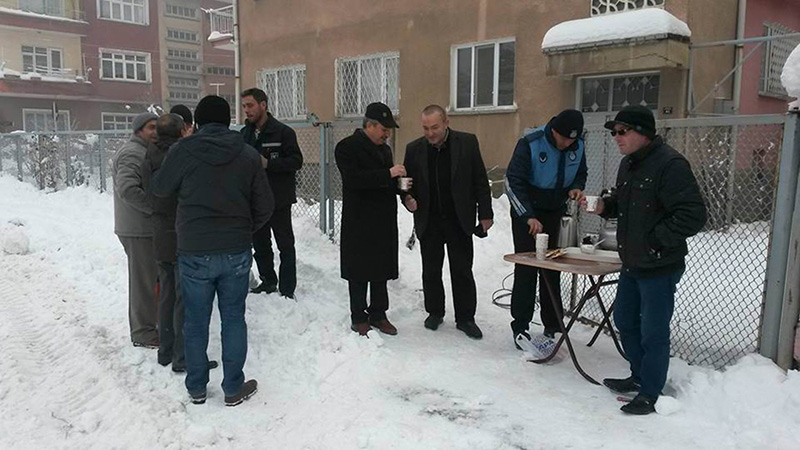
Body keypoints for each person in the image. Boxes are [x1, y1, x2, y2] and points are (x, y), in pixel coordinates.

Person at [152, 96, 274, 407]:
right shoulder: (247, 154)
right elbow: (265, 205)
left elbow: (160, 189)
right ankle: (233, 388)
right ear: (228, 119)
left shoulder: (182, 150)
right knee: (234, 319)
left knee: (195, 320)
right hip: (235, 250)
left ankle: (196, 387)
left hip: (194, 249)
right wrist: (244, 230)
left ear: (198, 122)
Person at [584, 105, 706, 415]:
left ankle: (651, 392)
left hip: (659, 265)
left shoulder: (671, 165)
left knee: (653, 330)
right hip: (633, 263)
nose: (616, 137)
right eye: (613, 132)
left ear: (643, 132)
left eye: (622, 131)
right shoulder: (629, 165)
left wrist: (654, 241)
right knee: (625, 321)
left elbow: (692, 216)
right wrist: (606, 206)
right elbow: (626, 206)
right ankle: (638, 375)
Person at [401, 105, 493, 339]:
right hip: (429, 219)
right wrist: (407, 199)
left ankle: (465, 318)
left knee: (462, 269)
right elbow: (405, 185)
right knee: (431, 270)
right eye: (425, 128)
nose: (430, 133)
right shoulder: (414, 149)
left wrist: (485, 214)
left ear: (446, 123)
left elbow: (480, 181)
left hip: (458, 218)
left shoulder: (467, 143)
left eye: (434, 127)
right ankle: (435, 311)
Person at [505, 109, 587, 347]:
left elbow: (581, 173)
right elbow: (513, 181)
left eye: (571, 139)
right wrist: (527, 216)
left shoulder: (577, 146)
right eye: (562, 138)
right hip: (528, 210)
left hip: (555, 211)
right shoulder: (531, 143)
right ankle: (520, 324)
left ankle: (553, 324)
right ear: (553, 130)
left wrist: (576, 187)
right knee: (527, 267)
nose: (566, 143)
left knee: (553, 268)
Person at [143, 113, 217, 373]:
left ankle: (165, 351)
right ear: (180, 132)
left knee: (166, 292)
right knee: (184, 298)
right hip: (180, 231)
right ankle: (183, 356)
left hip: (159, 230)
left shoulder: (149, 153)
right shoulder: (180, 155)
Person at [334, 102, 403, 336]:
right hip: (359, 220)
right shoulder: (346, 148)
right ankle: (358, 316)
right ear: (370, 125)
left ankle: (379, 314)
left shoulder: (384, 149)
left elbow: (388, 182)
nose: (387, 134)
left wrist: (404, 191)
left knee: (381, 269)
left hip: (383, 219)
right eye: (384, 129)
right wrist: (388, 173)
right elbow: (354, 180)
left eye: (389, 130)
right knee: (359, 270)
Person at [241, 88, 303, 299]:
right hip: (255, 201)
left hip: (279, 199)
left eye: (250, 105)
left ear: (263, 105)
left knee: (285, 245)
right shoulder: (245, 134)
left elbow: (296, 161)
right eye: (244, 106)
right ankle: (268, 281)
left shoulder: (283, 133)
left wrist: (270, 163)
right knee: (260, 244)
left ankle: (287, 289)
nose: (246, 110)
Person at [112, 112, 159, 348]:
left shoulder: (142, 151)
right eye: (151, 127)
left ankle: (151, 326)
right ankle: (143, 333)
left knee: (151, 279)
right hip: (138, 229)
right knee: (143, 282)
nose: (156, 132)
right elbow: (128, 189)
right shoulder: (132, 153)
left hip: (141, 227)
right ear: (139, 130)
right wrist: (156, 208)